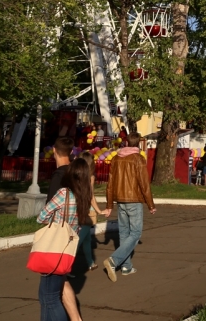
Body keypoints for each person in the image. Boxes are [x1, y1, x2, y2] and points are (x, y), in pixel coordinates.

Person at [37, 157, 91, 321]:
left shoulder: (64, 193)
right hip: (68, 249)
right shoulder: (83, 197)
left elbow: (42, 217)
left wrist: (56, 219)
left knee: (49, 297)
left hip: (54, 247)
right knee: (51, 293)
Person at [103, 132, 156, 282]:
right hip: (134, 200)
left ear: (126, 143)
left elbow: (110, 184)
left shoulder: (115, 159)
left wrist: (109, 205)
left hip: (120, 201)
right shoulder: (138, 159)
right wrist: (150, 205)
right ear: (138, 144)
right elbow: (144, 184)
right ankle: (114, 260)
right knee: (136, 233)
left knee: (124, 233)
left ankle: (126, 267)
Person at [77, 152, 111, 274]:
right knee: (79, 240)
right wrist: (99, 210)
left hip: (76, 207)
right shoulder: (90, 176)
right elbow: (90, 195)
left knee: (86, 239)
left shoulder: (75, 174)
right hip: (86, 210)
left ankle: (90, 262)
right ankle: (66, 267)